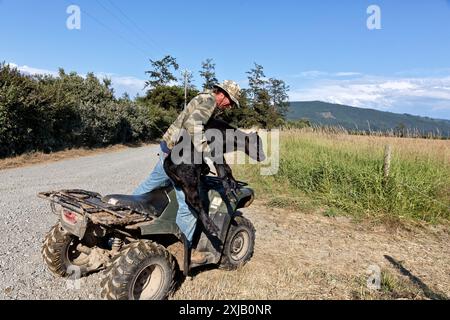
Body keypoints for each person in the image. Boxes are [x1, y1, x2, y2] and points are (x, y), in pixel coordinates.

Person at [133, 80, 241, 263]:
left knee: (150, 185)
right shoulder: (209, 102)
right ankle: (185, 251)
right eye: (230, 102)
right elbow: (193, 126)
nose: (230, 106)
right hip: (177, 155)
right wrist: (207, 155)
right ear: (222, 94)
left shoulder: (204, 99)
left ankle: (125, 215)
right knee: (189, 205)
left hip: (168, 149)